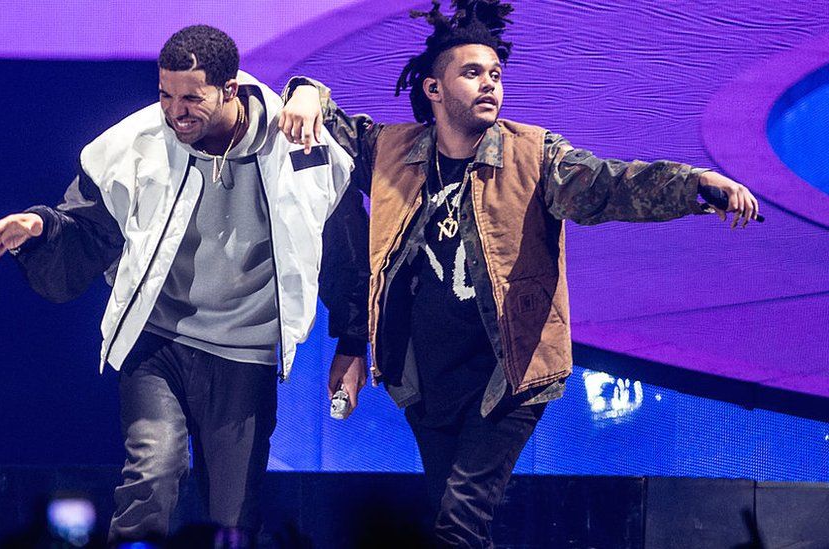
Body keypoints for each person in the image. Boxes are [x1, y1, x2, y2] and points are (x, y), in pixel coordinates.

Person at [279, 0, 760, 546]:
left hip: (507, 375)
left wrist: (695, 184)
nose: (489, 83)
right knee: (454, 523)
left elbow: (611, 184)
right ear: (434, 89)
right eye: (471, 72)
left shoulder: (534, 156)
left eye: (495, 74)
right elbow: (330, 126)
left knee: (459, 521)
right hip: (425, 378)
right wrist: (305, 90)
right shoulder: (391, 150)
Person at [0, 25, 367, 544]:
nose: (176, 112)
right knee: (152, 475)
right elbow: (89, 228)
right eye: (166, 95)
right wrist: (41, 226)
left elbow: (340, 248)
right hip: (157, 344)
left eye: (192, 99)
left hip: (244, 354)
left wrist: (352, 342)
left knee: (233, 516)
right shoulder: (135, 143)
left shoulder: (295, 146)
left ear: (230, 89)